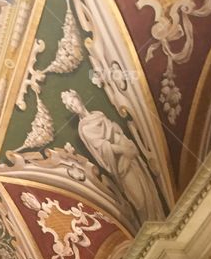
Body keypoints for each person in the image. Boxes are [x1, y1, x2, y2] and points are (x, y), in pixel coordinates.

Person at [61, 89, 166, 223]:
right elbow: (104, 147)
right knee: (139, 200)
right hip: (119, 164)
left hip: (129, 156)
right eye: (70, 106)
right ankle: (150, 222)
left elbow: (116, 131)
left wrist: (122, 140)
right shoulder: (85, 128)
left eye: (73, 101)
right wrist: (122, 149)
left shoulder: (98, 114)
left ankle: (159, 218)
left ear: (78, 97)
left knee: (148, 190)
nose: (74, 106)